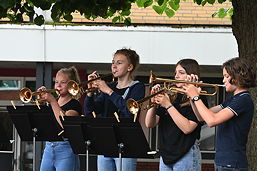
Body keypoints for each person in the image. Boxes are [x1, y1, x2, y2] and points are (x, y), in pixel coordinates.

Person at [183, 57, 256, 171]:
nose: (223, 80)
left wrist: (196, 97)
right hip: (223, 162)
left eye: (226, 76)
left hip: (232, 163)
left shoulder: (243, 99)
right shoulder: (232, 100)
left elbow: (212, 121)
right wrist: (192, 97)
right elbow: (201, 117)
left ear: (237, 77)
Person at [84, 48, 145, 171]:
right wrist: (90, 93)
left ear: (130, 67)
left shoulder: (138, 87)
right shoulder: (110, 87)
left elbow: (129, 112)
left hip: (127, 144)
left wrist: (108, 91)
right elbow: (90, 113)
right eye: (113, 62)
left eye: (119, 63)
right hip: (106, 142)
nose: (114, 66)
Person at [145, 59, 208, 171]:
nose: (176, 76)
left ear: (191, 75)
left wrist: (168, 105)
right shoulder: (170, 95)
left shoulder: (198, 97)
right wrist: (153, 101)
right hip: (165, 155)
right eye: (175, 73)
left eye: (181, 73)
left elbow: (188, 128)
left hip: (186, 154)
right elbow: (149, 123)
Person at [39, 66, 82, 171]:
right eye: (56, 82)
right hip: (49, 147)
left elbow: (64, 124)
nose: (58, 85)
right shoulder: (53, 103)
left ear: (71, 85)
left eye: (62, 82)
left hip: (66, 148)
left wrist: (52, 101)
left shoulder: (75, 104)